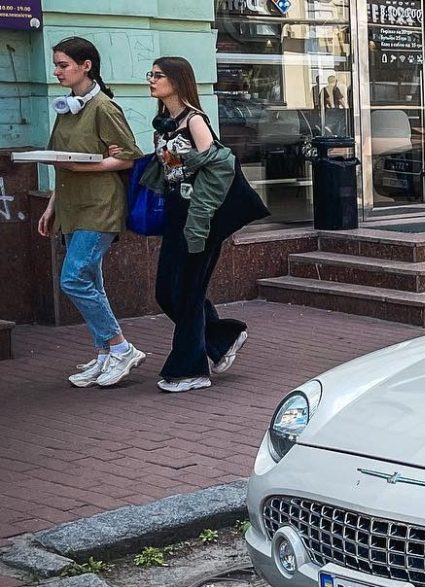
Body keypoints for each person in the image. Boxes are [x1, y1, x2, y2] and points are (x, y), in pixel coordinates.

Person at [141, 57, 269, 392]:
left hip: (200, 218)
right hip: (176, 216)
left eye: (158, 75)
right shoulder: (164, 123)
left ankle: (189, 371)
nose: (152, 80)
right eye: (150, 75)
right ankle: (221, 336)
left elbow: (217, 170)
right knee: (167, 293)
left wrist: (200, 214)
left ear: (178, 81)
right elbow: (170, 168)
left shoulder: (194, 120)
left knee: (186, 292)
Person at [38, 37, 146, 388]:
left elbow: (129, 155)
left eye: (63, 65)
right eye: (55, 64)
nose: (57, 71)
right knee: (91, 279)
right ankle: (104, 354)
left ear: (86, 66)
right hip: (72, 205)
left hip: (101, 206)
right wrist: (52, 206)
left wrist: (89, 168)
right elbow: (60, 161)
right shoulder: (67, 108)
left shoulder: (103, 107)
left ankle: (121, 347)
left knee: (72, 278)